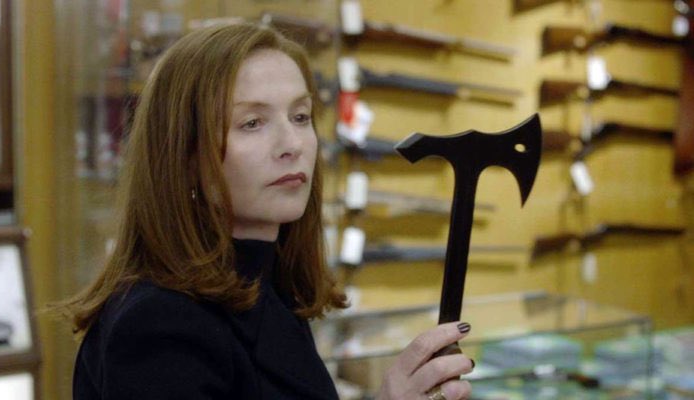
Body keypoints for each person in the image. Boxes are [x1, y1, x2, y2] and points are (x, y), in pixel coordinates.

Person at [55, 21, 474, 400]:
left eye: (300, 116)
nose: (292, 144)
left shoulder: (268, 291)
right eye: (252, 123)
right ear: (185, 155)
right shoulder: (159, 324)